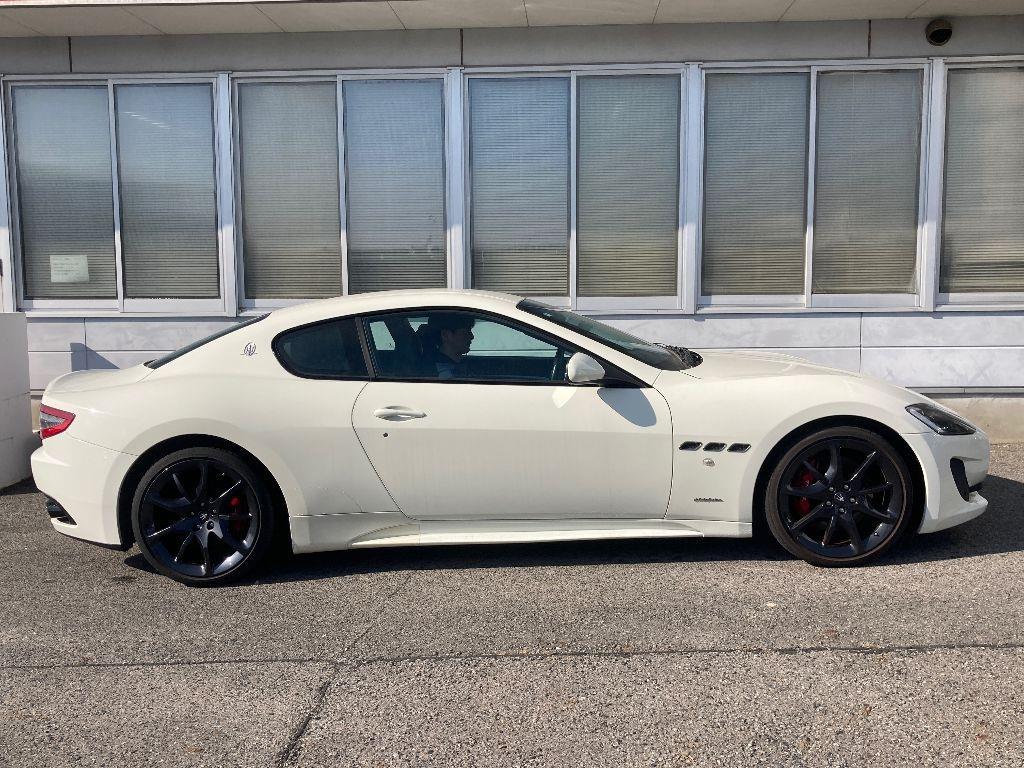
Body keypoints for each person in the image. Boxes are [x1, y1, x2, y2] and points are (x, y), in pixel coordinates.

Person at [417, 313, 475, 379]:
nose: (472, 336)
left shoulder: (449, 367)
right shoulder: (437, 373)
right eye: (465, 332)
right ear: (445, 335)